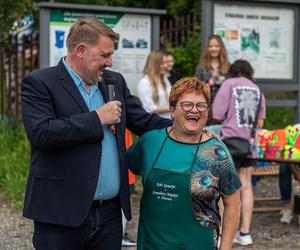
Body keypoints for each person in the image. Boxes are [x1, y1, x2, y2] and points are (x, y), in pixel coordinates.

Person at [21, 18, 172, 250]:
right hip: (60, 215)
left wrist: (186, 127)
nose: (109, 62)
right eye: (104, 55)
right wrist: (97, 118)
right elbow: (42, 133)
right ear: (80, 50)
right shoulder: (40, 82)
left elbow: (142, 121)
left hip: (110, 214)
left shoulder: (114, 81)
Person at [127, 77, 241, 250]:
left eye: (201, 105)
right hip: (152, 245)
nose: (194, 110)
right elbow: (120, 170)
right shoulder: (149, 142)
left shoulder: (217, 153)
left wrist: (225, 247)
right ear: (172, 110)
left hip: (198, 245)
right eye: (187, 104)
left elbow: (233, 203)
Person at [212, 59, 266, 246]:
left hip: (230, 141)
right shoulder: (257, 89)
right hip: (250, 143)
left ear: (233, 71)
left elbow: (217, 113)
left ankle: (221, 233)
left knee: (224, 186)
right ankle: (245, 233)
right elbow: (260, 122)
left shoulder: (228, 84)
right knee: (247, 185)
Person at [137, 50, 172, 118]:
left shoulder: (164, 79)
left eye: (166, 63)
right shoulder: (144, 82)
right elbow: (149, 108)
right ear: (154, 64)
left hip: (169, 122)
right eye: (162, 63)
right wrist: (171, 109)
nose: (165, 66)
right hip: (156, 125)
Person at [195, 34, 230, 101]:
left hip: (223, 104)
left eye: (217, 46)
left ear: (221, 48)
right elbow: (196, 88)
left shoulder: (228, 66)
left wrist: (219, 79)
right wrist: (212, 79)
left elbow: (230, 88)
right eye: (210, 46)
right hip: (205, 104)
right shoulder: (201, 67)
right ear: (207, 48)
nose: (213, 49)